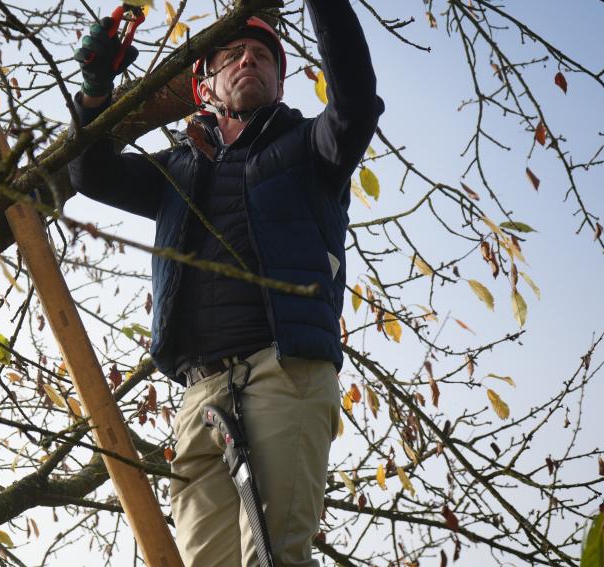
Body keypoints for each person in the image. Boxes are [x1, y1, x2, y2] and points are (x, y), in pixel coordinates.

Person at [70, 1, 383, 564]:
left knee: (272, 557)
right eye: (233, 54)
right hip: (200, 393)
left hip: (281, 372)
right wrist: (97, 89)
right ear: (205, 83)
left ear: (280, 82)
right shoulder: (178, 172)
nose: (249, 61)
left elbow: (356, 105)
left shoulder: (311, 149)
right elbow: (90, 171)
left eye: (263, 56)